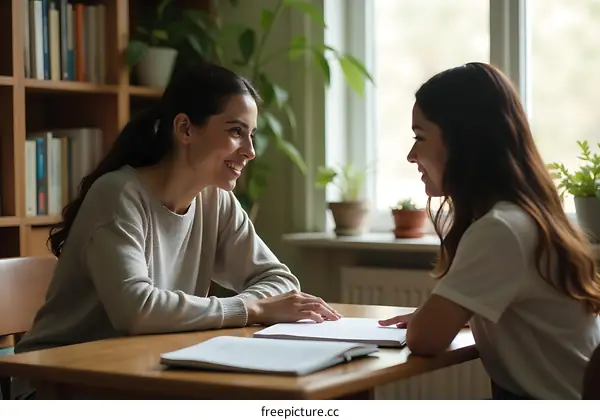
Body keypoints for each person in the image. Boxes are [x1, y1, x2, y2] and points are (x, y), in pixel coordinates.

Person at [15, 63, 340, 359]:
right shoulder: (119, 195)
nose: (250, 152)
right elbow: (136, 310)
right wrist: (251, 308)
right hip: (60, 379)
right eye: (235, 131)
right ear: (185, 129)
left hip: (143, 369)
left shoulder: (216, 201)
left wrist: (257, 305)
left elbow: (280, 281)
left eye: (251, 135)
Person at [378, 62, 600, 399]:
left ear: (463, 143)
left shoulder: (501, 229)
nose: (411, 155)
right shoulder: (526, 217)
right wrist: (445, 313)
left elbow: (425, 339)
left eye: (420, 137)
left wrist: (431, 319)